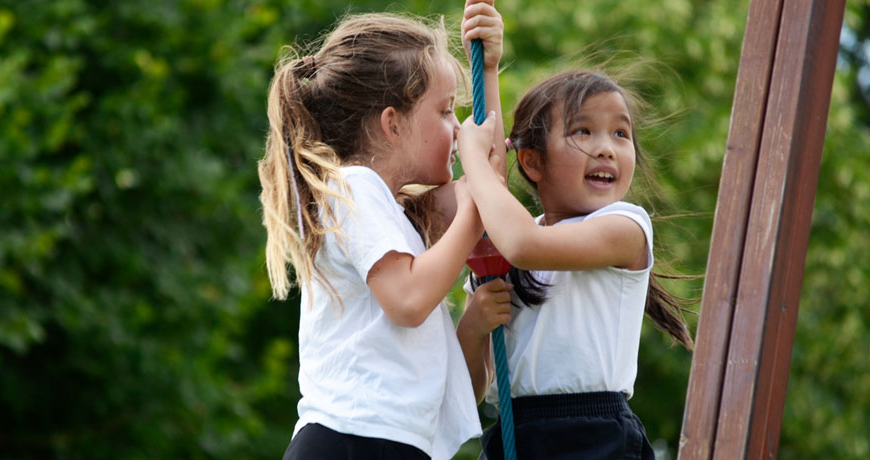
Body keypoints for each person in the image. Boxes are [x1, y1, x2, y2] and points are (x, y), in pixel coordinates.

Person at [258, 3, 505, 458]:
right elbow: (407, 300)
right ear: (392, 123)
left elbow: (492, 192)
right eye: (445, 112)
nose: (458, 130)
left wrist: (487, 71)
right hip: (349, 441)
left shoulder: (399, 214)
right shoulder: (353, 187)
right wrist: (472, 216)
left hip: (385, 443)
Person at [455, 70, 695, 459]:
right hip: (514, 437)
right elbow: (466, 393)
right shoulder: (499, 252)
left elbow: (523, 244)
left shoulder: (626, 226)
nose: (607, 149)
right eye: (583, 131)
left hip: (595, 438)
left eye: (620, 133)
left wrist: (474, 161)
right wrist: (471, 328)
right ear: (532, 162)